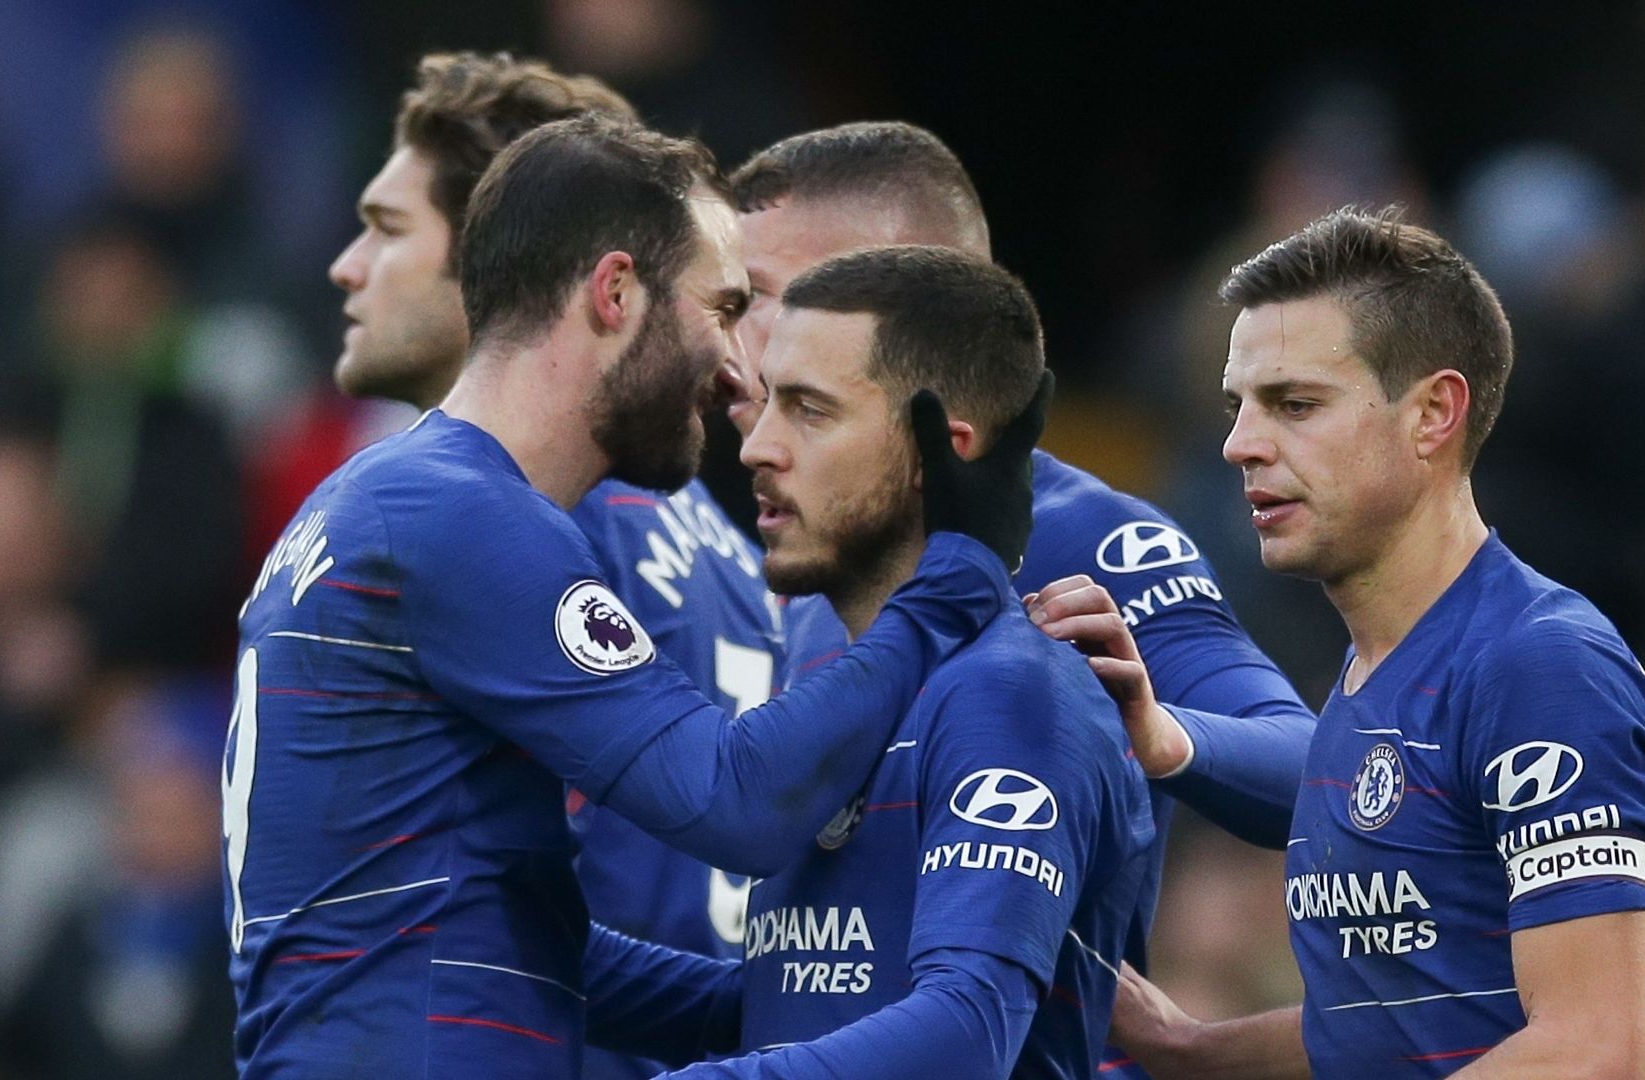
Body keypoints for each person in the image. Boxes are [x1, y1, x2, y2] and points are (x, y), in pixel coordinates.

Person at [222, 114, 1046, 1077]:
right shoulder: (459, 518)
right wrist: (954, 574)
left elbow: (531, 949)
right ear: (616, 293)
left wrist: (816, 1000)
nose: (738, 367)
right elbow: (734, 803)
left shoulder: (384, 502)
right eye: (723, 308)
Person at [723, 122, 1315, 1073]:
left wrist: (1164, 735)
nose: (726, 340)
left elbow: (1313, 771)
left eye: (755, 297)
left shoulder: (1083, 536)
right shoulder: (818, 561)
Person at [1067, 207, 1645, 1077]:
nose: (1240, 445)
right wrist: (1189, 1048)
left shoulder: (1539, 666)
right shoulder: (1374, 673)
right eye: (1238, 407)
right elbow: (1397, 1022)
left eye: (1295, 405)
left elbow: (1593, 1047)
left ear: (1434, 414)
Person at [324, 54, 778, 1078]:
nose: (348, 264)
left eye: (389, 229)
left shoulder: (526, 533)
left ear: (495, 250)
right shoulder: (694, 531)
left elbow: (539, 933)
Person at [601, 244, 1154, 1079]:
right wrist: (509, 932)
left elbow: (963, 1035)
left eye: (809, 410)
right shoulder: (847, 680)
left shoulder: (1010, 693)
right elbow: (785, 1004)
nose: (756, 448)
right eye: (768, 402)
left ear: (943, 453)